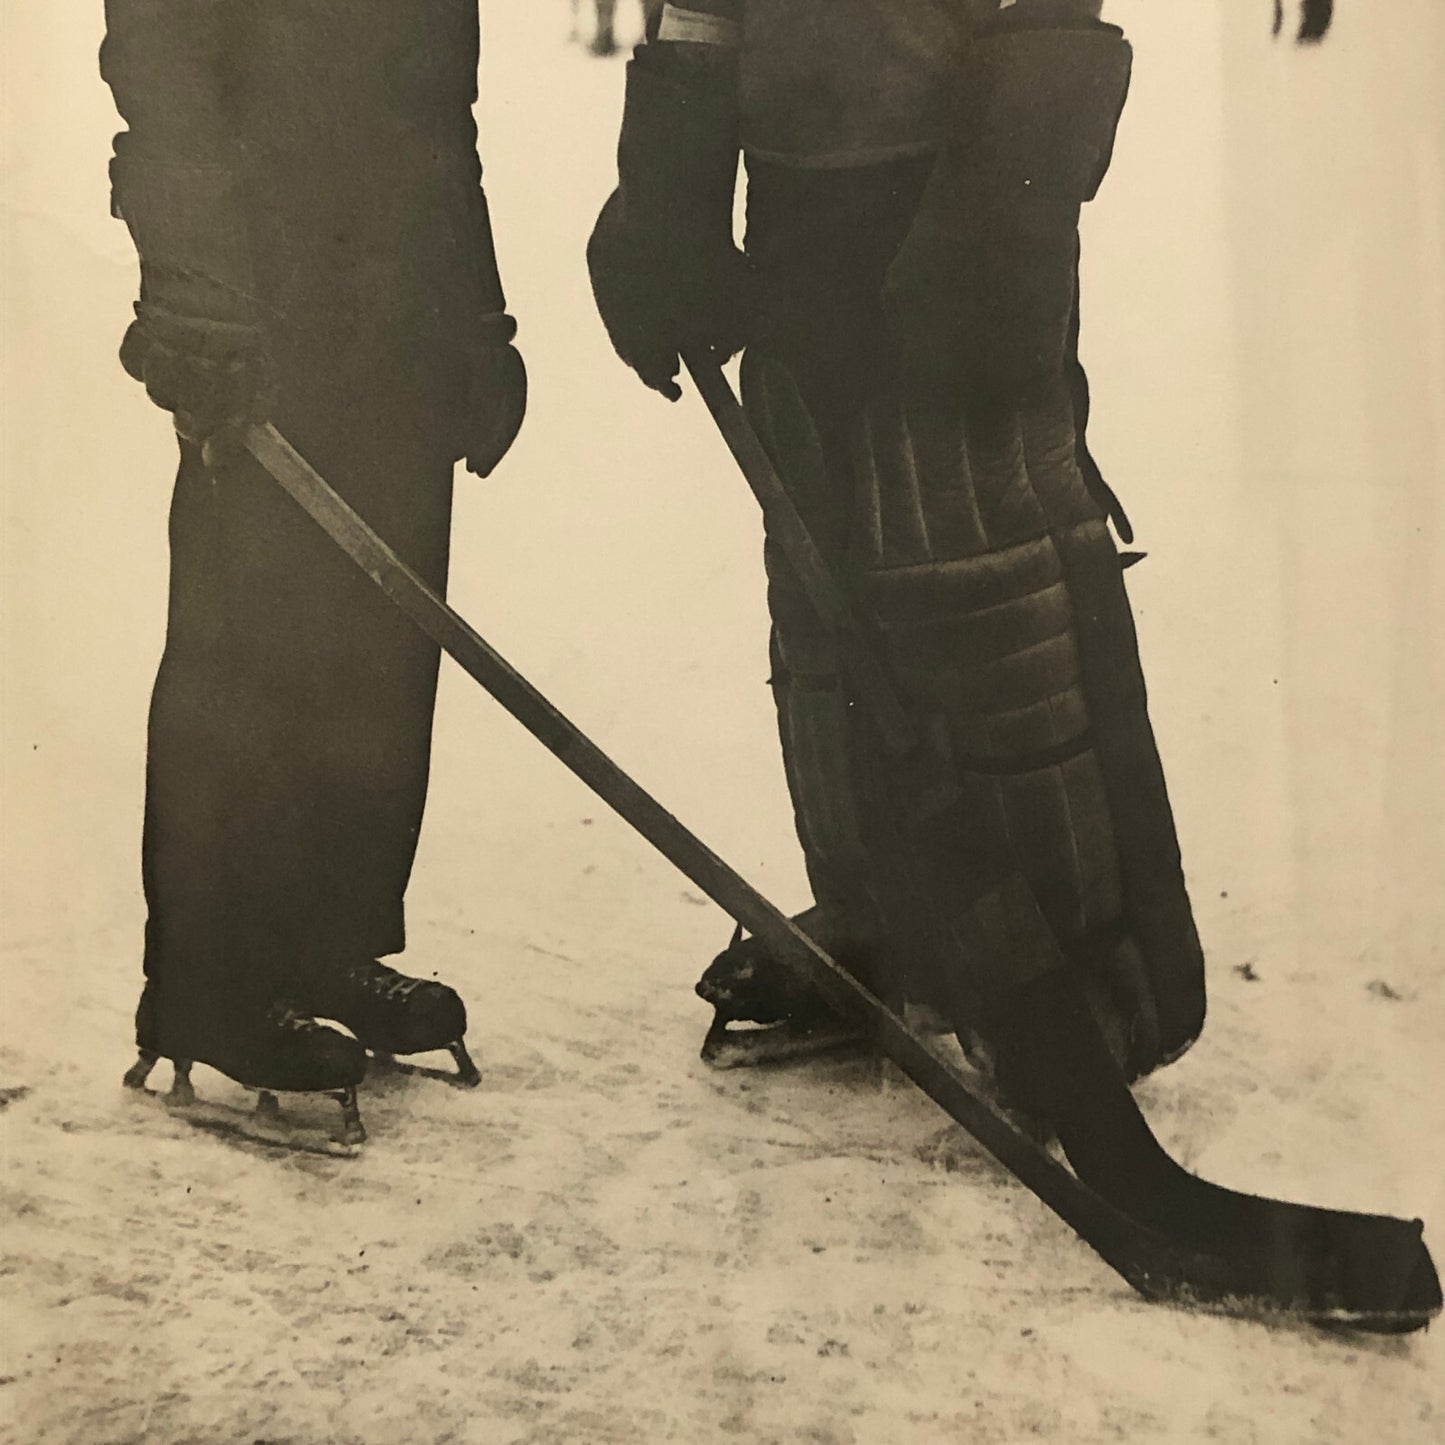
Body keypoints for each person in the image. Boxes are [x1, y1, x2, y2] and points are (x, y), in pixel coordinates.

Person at [586, 0, 1208, 1121]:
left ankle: (1083, 963)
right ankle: (886, 924)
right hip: (795, 211)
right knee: (822, 585)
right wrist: (666, 187)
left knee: (979, 567)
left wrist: (1007, 196)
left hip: (956, 185)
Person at [103, 0, 526, 1138]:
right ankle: (206, 981)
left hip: (397, 297)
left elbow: (442, 114)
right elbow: (162, 69)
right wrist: (192, 283)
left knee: (382, 639)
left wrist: (478, 318)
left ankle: (330, 944)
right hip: (259, 303)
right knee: (251, 640)